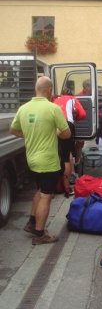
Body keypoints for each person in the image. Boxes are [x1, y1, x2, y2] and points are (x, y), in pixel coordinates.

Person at [10, 76, 71, 245]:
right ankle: (39, 233)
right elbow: (67, 134)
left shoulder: (23, 108)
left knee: (39, 190)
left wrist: (29, 135)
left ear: (36, 89)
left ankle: (31, 222)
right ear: (49, 90)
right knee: (47, 195)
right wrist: (56, 133)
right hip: (48, 161)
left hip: (32, 160)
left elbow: (13, 130)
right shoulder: (53, 108)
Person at [53, 87, 86, 197]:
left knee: (58, 156)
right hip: (67, 125)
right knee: (66, 157)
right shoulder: (72, 99)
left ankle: (57, 186)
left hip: (54, 126)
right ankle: (67, 188)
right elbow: (82, 114)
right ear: (71, 93)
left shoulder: (55, 100)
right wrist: (75, 115)